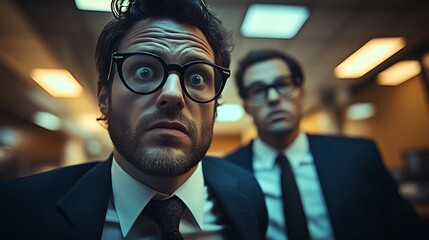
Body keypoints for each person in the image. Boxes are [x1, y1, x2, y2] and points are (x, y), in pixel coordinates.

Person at [0, 1, 268, 239]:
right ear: (104, 97)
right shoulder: (16, 212)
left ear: (215, 105)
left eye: (196, 78)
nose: (173, 94)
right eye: (143, 71)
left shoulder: (248, 193)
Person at [224, 49, 428, 240]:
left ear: (301, 93)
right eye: (258, 90)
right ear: (246, 106)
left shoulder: (358, 156)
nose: (273, 97)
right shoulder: (226, 175)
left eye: (283, 85)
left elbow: (405, 228)